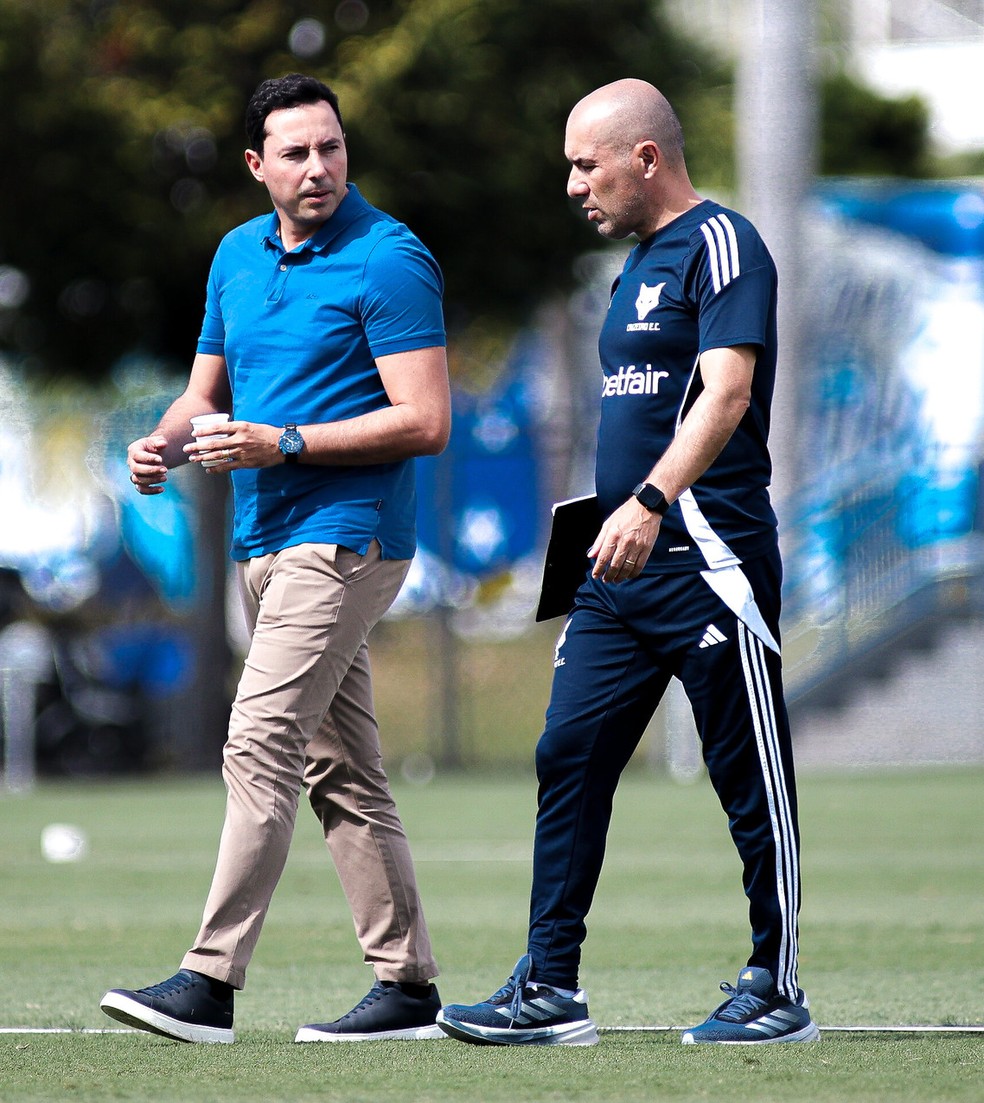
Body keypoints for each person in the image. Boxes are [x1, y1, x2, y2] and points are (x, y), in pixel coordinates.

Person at [436, 78, 818, 1047]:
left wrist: (651, 500)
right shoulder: (633, 269)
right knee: (567, 752)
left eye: (584, 162)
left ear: (646, 157)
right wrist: (605, 517)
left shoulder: (723, 245)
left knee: (747, 776)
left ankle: (776, 985)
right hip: (617, 571)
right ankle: (550, 987)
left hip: (707, 558)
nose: (572, 185)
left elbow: (726, 394)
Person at [100, 74, 450, 1044]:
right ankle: (407, 987)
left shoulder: (390, 259)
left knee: (259, 737)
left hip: (346, 536)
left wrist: (283, 442)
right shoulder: (234, 256)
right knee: (346, 769)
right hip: (264, 542)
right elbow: (203, 393)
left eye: (331, 147)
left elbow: (426, 419)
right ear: (257, 166)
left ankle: (209, 979)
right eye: (295, 152)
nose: (318, 167)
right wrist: (163, 444)